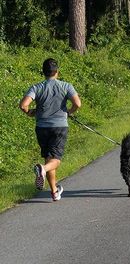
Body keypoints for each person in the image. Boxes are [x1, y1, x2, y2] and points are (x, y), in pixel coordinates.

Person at [19, 58, 81, 202]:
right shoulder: (66, 86)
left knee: (49, 158)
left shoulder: (37, 87)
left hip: (41, 128)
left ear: (43, 72)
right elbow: (77, 103)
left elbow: (23, 105)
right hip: (59, 127)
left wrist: (30, 112)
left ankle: (54, 192)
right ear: (57, 71)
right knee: (56, 160)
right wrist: (69, 112)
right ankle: (43, 169)